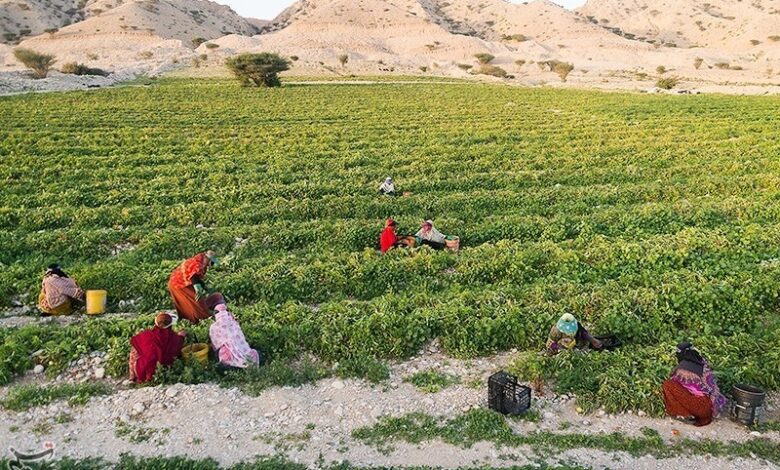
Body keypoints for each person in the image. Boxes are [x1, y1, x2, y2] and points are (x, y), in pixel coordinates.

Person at [662, 342, 727, 427]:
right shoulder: (704, 363)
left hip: (699, 405)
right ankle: (701, 417)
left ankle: (683, 414)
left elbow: (675, 382)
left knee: (668, 385)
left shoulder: (683, 368)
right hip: (710, 408)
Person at [168, 251, 226, 324]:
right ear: (207, 259)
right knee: (195, 300)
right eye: (211, 262)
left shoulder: (201, 263)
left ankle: (192, 318)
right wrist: (198, 290)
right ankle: (204, 315)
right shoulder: (196, 263)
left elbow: (197, 278)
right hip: (178, 284)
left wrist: (205, 287)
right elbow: (194, 277)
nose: (211, 264)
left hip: (183, 283)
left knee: (191, 302)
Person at [128, 313, 186, 384]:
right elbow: (178, 345)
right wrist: (182, 336)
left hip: (142, 370)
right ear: (170, 325)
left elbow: (135, 341)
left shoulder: (147, 334)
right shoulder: (174, 338)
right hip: (162, 371)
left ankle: (132, 376)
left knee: (135, 349)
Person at [209, 304, 260, 371]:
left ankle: (233, 369)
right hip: (242, 348)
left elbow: (215, 344)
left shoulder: (214, 327)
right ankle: (247, 366)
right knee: (252, 353)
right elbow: (241, 337)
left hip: (228, 353)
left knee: (223, 354)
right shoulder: (233, 322)